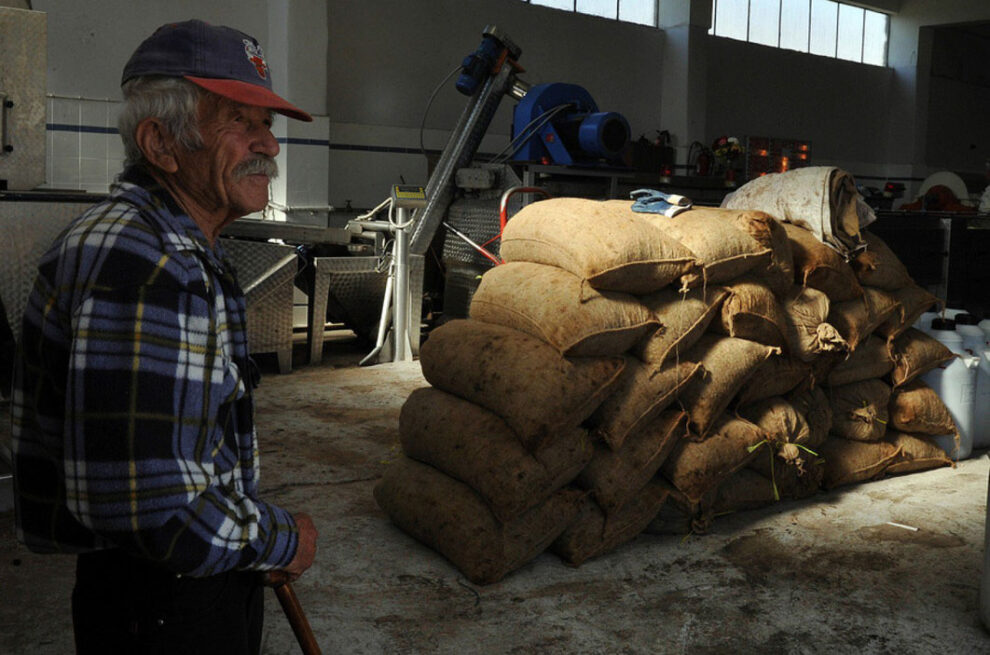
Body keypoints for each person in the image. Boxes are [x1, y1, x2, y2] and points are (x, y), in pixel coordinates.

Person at [11, 20, 318, 654]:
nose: (270, 146)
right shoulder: (144, 264)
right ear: (161, 142)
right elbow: (152, 510)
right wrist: (280, 538)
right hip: (161, 598)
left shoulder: (172, 243)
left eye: (269, 125)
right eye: (241, 122)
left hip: (169, 581)